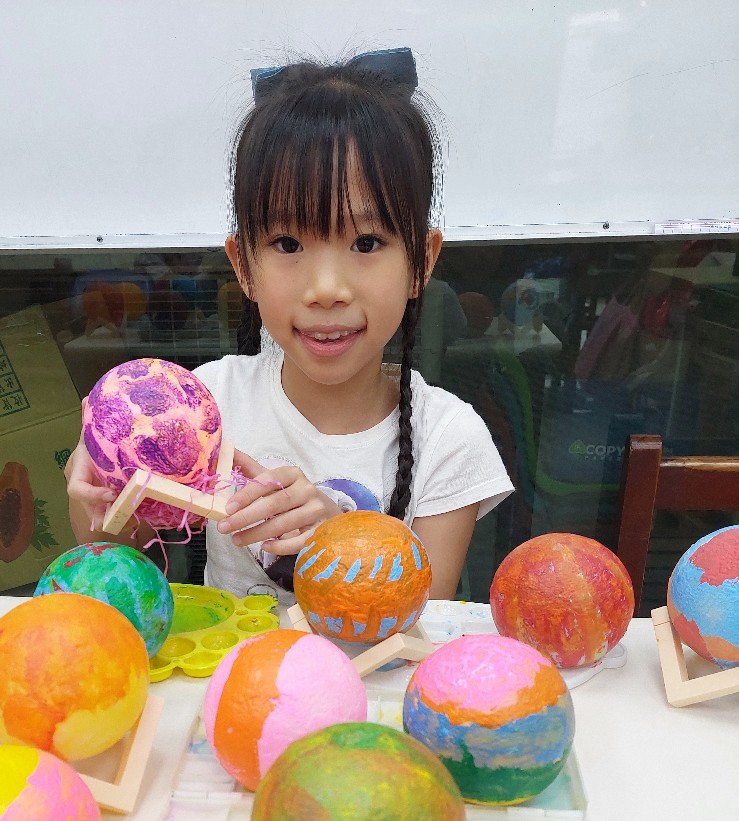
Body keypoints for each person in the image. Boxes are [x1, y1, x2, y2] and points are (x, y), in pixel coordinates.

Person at [66, 48, 512, 605]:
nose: (325, 288)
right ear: (243, 266)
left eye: (366, 242)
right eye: (287, 243)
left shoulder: (448, 438)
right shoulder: (206, 407)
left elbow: (420, 620)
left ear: (422, 261)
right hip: (232, 664)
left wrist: (336, 541)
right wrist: (103, 486)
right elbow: (114, 567)